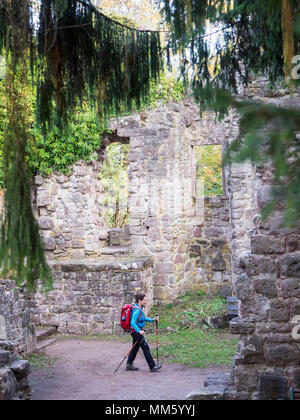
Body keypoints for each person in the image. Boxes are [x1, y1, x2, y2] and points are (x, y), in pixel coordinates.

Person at [126, 293, 162, 372]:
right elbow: (132, 322)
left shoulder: (139, 308)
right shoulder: (137, 310)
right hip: (137, 332)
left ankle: (129, 364)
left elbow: (143, 318)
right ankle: (152, 366)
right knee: (145, 348)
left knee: (135, 348)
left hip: (135, 332)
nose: (146, 302)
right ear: (140, 300)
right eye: (144, 300)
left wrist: (153, 320)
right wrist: (139, 331)